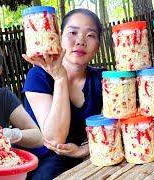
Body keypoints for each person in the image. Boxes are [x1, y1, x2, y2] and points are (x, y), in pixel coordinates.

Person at [22, 8, 105, 179]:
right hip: (45, 161)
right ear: (58, 38)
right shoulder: (38, 76)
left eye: (90, 35)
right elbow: (54, 139)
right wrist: (60, 79)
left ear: (98, 44)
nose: (80, 41)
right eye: (73, 32)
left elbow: (117, 127)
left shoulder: (102, 80)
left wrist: (83, 150)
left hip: (90, 156)